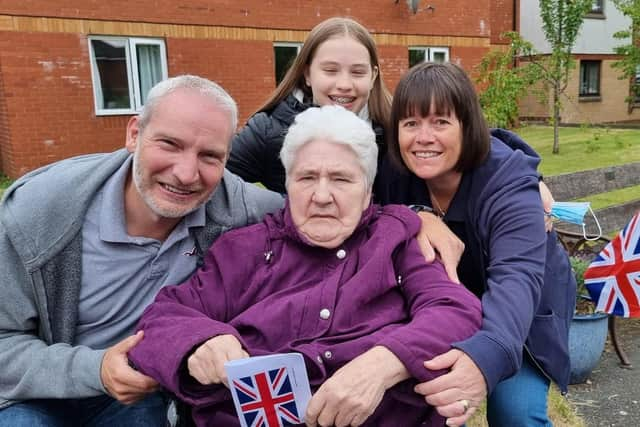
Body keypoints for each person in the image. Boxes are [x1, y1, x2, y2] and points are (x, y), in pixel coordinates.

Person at [128, 105, 482, 427]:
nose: (322, 196)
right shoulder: (244, 249)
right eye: (307, 177)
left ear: (368, 190)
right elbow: (162, 318)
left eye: (341, 179)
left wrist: (382, 365)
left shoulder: (397, 239)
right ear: (287, 184)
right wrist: (198, 343)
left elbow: (453, 309)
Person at [0, 75, 283, 426]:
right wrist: (96, 370)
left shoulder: (237, 208)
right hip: (33, 393)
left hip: (140, 396)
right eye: (169, 144)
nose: (185, 173)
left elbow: (317, 211)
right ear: (134, 134)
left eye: (210, 156)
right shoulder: (40, 212)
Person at [376, 62, 576, 427]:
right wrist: (414, 215)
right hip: (444, 307)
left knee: (516, 412)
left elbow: (517, 278)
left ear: (468, 127)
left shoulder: (509, 185)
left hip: (521, 310)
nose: (423, 137)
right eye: (410, 123)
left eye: (440, 122)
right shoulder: (392, 172)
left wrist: (486, 356)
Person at [226, 16, 391, 195]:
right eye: (330, 70)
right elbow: (214, 185)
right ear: (307, 74)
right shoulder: (267, 130)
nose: (344, 84)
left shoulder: (396, 132)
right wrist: (283, 210)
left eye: (358, 72)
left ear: (373, 76)